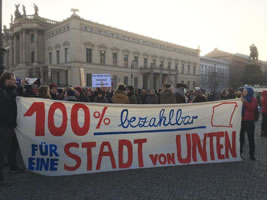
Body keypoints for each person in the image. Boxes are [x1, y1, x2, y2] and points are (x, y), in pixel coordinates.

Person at [0, 72, 21, 185]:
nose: (15, 81)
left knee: (4, 152)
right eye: (13, 79)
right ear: (7, 80)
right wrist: (8, 120)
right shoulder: (2, 92)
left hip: (8, 126)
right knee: (1, 153)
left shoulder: (9, 91)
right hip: (3, 127)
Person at [240, 87, 258, 161]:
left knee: (251, 139)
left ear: (249, 92)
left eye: (245, 91)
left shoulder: (254, 99)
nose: (244, 93)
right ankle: (239, 153)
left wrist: (244, 102)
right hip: (242, 121)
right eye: (243, 91)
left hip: (250, 121)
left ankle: (252, 154)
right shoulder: (241, 99)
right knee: (240, 139)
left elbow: (251, 108)